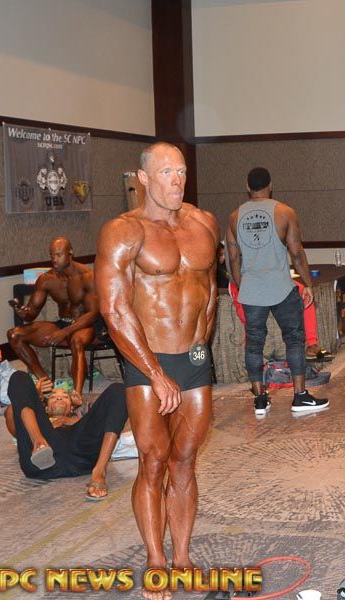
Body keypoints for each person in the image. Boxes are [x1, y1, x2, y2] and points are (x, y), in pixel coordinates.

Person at [95, 141, 218, 593]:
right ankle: (156, 560)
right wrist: (155, 373)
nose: (177, 180)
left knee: (185, 461)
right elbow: (115, 309)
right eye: (167, 172)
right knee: (153, 461)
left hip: (194, 360)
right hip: (148, 360)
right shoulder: (123, 231)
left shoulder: (203, 223)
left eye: (181, 171)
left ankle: (182, 558)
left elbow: (210, 290)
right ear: (144, 178)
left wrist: (201, 348)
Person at [226, 167, 329, 417]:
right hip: (282, 287)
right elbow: (296, 253)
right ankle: (300, 396)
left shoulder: (234, 217)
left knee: (254, 344)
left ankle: (260, 399)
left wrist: (243, 286)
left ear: (247, 187)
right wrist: (308, 284)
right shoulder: (284, 212)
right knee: (294, 339)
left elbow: (233, 258)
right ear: (270, 185)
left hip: (251, 289)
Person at [3, 371, 128, 501]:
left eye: (65, 397)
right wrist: (35, 396)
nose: (59, 398)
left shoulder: (80, 422)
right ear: (45, 408)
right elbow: (11, 414)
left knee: (119, 390)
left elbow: (107, 420)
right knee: (19, 376)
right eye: (53, 397)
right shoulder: (38, 422)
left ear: (72, 408)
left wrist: (67, 420)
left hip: (81, 453)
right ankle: (38, 442)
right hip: (42, 457)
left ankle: (99, 471)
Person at [7, 237, 100, 396]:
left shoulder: (87, 276)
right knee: (14, 335)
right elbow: (31, 315)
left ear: (70, 253)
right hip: (62, 323)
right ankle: (45, 382)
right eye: (52, 255)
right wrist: (23, 312)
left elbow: (93, 313)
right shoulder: (46, 279)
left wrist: (65, 332)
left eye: (58, 255)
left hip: (86, 325)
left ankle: (76, 395)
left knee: (76, 340)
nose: (54, 259)